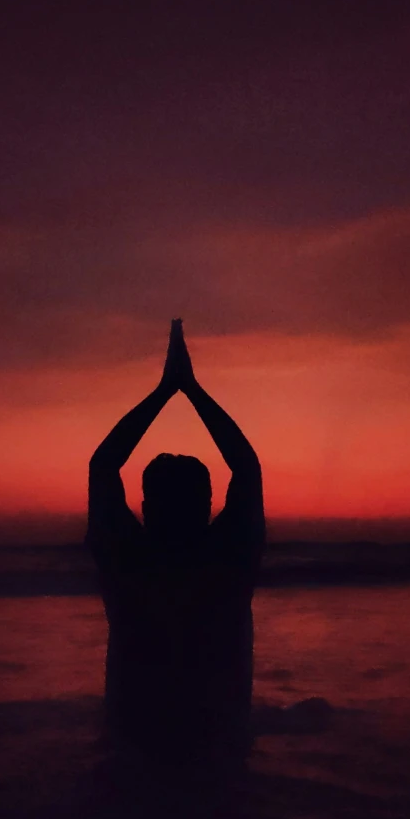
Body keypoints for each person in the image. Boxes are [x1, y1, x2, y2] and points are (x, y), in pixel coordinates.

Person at [87, 320, 265, 760]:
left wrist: (167, 390)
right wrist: (190, 389)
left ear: (145, 506)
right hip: (221, 760)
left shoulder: (126, 562)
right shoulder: (229, 562)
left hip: (130, 759)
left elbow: (103, 466)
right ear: (208, 506)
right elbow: (247, 467)